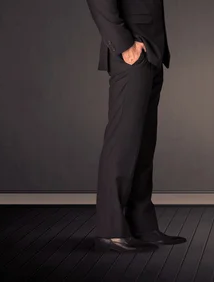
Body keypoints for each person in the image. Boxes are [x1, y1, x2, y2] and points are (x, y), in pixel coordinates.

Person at [86, 0, 186, 252]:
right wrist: (123, 44)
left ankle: (142, 226)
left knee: (142, 143)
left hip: (152, 49)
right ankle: (110, 231)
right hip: (131, 50)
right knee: (123, 143)